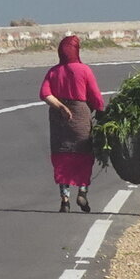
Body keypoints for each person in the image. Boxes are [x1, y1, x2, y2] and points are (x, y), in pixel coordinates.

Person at [40, 35, 105, 212]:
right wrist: (100, 110)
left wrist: (60, 107)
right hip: (80, 116)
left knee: (62, 156)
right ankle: (82, 191)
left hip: (58, 120)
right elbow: (96, 97)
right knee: (84, 153)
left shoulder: (53, 72)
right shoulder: (84, 70)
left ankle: (65, 199)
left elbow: (44, 93)